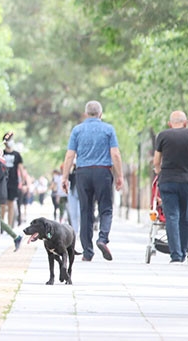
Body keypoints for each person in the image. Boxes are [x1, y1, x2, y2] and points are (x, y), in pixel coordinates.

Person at [61, 100, 123, 262]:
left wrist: (65, 177)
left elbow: (70, 155)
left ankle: (87, 252)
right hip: (103, 172)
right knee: (106, 208)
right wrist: (119, 176)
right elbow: (115, 154)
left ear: (86, 114)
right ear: (100, 114)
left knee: (86, 211)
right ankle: (102, 238)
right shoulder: (108, 129)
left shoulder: (77, 130)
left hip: (83, 173)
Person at [153, 110, 188, 263]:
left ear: (169, 124)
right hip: (186, 182)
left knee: (172, 217)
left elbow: (156, 161)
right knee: (185, 217)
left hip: (168, 181)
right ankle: (184, 251)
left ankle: (176, 255)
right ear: (185, 123)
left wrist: (159, 172)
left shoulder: (163, 135)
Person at [2, 131, 23, 227]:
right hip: (2, 182)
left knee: (11, 204)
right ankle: (2, 226)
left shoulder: (17, 154)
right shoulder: (1, 153)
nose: (11, 141)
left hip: (13, 182)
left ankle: (9, 226)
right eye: (9, 139)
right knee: (3, 204)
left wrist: (23, 181)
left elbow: (20, 168)